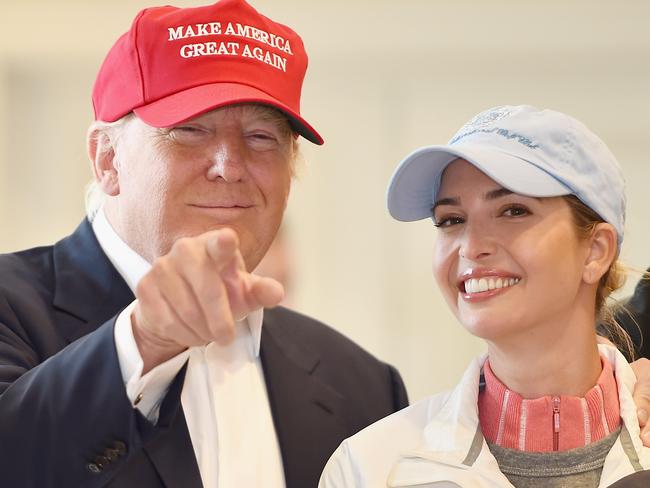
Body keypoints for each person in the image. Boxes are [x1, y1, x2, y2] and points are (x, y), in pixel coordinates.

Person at [0, 1, 407, 487]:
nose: (229, 165)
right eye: (189, 131)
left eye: (261, 137)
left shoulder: (363, 386)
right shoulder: (12, 309)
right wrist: (145, 341)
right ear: (107, 159)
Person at [319, 105, 650, 487]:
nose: (471, 246)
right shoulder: (370, 466)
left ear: (595, 251)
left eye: (512, 210)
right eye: (451, 220)